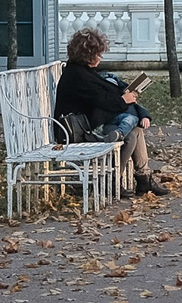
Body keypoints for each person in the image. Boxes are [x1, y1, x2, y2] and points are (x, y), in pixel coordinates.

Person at [55, 28, 168, 196]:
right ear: (87, 55)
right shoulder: (77, 76)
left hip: (90, 123)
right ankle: (113, 181)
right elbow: (103, 100)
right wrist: (124, 100)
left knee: (135, 130)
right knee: (131, 135)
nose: (100, 58)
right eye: (98, 55)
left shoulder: (81, 71)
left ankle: (143, 178)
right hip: (78, 131)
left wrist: (124, 96)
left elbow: (104, 94)